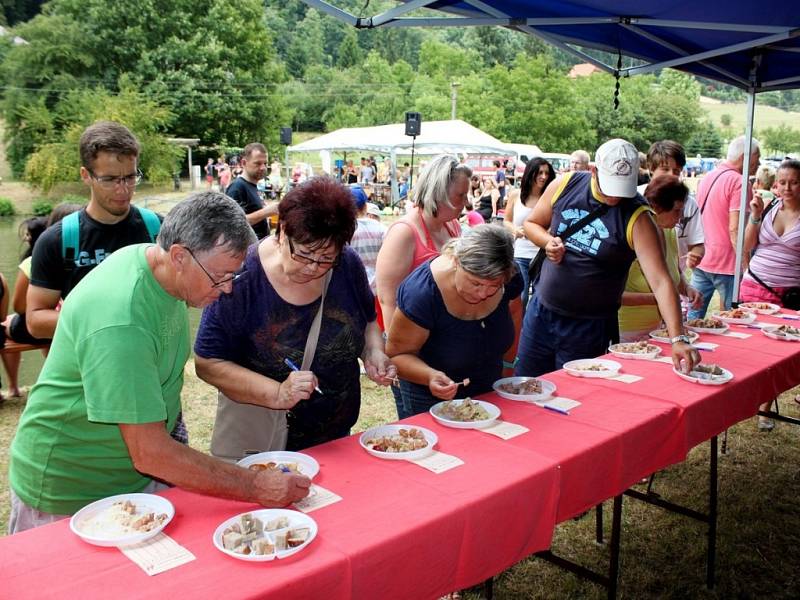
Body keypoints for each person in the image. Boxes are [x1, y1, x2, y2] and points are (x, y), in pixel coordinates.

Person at [7, 192, 311, 534]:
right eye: (220, 276)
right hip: (71, 492)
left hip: (133, 481)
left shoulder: (154, 266)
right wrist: (257, 486)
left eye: (233, 276)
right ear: (179, 255)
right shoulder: (122, 318)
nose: (227, 290)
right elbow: (150, 453)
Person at [194, 178, 395, 458]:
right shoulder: (242, 278)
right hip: (266, 443)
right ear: (282, 232)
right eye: (304, 254)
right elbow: (207, 362)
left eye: (326, 258)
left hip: (336, 436)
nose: (313, 268)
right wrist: (277, 393)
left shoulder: (347, 263)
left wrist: (373, 352)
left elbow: (368, 320)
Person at [515, 138, 698, 377]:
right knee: (525, 383)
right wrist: (547, 242)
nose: (615, 197)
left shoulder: (639, 216)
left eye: (622, 187)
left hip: (589, 325)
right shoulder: (565, 184)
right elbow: (532, 223)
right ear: (593, 171)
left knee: (575, 394)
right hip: (542, 311)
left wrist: (679, 338)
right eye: (610, 187)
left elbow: (661, 281)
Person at [387, 224, 522, 414]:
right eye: (475, 283)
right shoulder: (422, 293)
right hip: (431, 396)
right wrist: (429, 376)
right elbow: (397, 355)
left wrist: (508, 366)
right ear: (457, 262)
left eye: (494, 286)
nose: (483, 293)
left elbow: (515, 315)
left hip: (489, 385)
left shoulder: (509, 277)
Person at [375, 154, 468, 419]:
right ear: (439, 192)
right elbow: (387, 299)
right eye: (460, 195)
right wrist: (402, 356)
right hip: (412, 348)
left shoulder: (451, 226)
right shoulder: (404, 233)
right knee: (418, 419)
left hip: (440, 344)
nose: (465, 202)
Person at [741, 159, 800, 431]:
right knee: (747, 347)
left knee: (775, 354)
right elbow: (748, 244)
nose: (787, 188)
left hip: (786, 295)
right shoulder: (769, 207)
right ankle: (743, 400)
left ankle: (764, 409)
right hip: (753, 285)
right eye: (783, 182)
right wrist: (755, 215)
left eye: (794, 182)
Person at [3, 206, 82, 393]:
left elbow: (21, 307)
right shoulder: (85, 258)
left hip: (48, 326)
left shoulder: (34, 261)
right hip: (71, 323)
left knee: (5, 324)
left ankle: (13, 386)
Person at [619, 175, 703, 341]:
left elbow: (672, 272)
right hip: (626, 330)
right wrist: (660, 297)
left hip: (658, 329)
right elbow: (615, 295)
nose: (680, 217)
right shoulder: (633, 234)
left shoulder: (670, 231)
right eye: (677, 210)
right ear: (657, 207)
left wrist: (686, 289)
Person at [688, 135, 761, 319]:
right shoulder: (740, 182)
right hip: (727, 262)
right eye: (757, 158)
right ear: (745, 158)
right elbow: (735, 228)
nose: (758, 163)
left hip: (703, 257)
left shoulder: (707, 176)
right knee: (734, 318)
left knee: (693, 316)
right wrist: (744, 264)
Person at [639, 140, 705, 271]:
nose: (671, 175)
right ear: (651, 168)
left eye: (676, 171)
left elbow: (697, 243)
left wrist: (696, 255)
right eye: (665, 169)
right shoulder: (636, 197)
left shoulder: (689, 204)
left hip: (674, 278)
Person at [503, 157, 555, 309]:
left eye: (546, 173)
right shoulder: (515, 195)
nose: (543, 176)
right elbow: (506, 221)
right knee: (521, 296)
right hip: (520, 254)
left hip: (542, 255)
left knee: (540, 298)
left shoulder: (551, 198)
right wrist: (515, 230)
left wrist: (544, 232)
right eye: (539, 172)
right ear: (530, 173)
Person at [224, 142, 276, 240]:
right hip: (247, 251)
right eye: (257, 163)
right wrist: (268, 211)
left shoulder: (252, 185)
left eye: (265, 163)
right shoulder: (237, 187)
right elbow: (231, 223)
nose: (263, 168)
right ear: (244, 163)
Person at [349, 185, 386, 294]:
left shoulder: (345, 230)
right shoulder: (380, 228)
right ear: (365, 207)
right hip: (376, 289)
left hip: (353, 288)